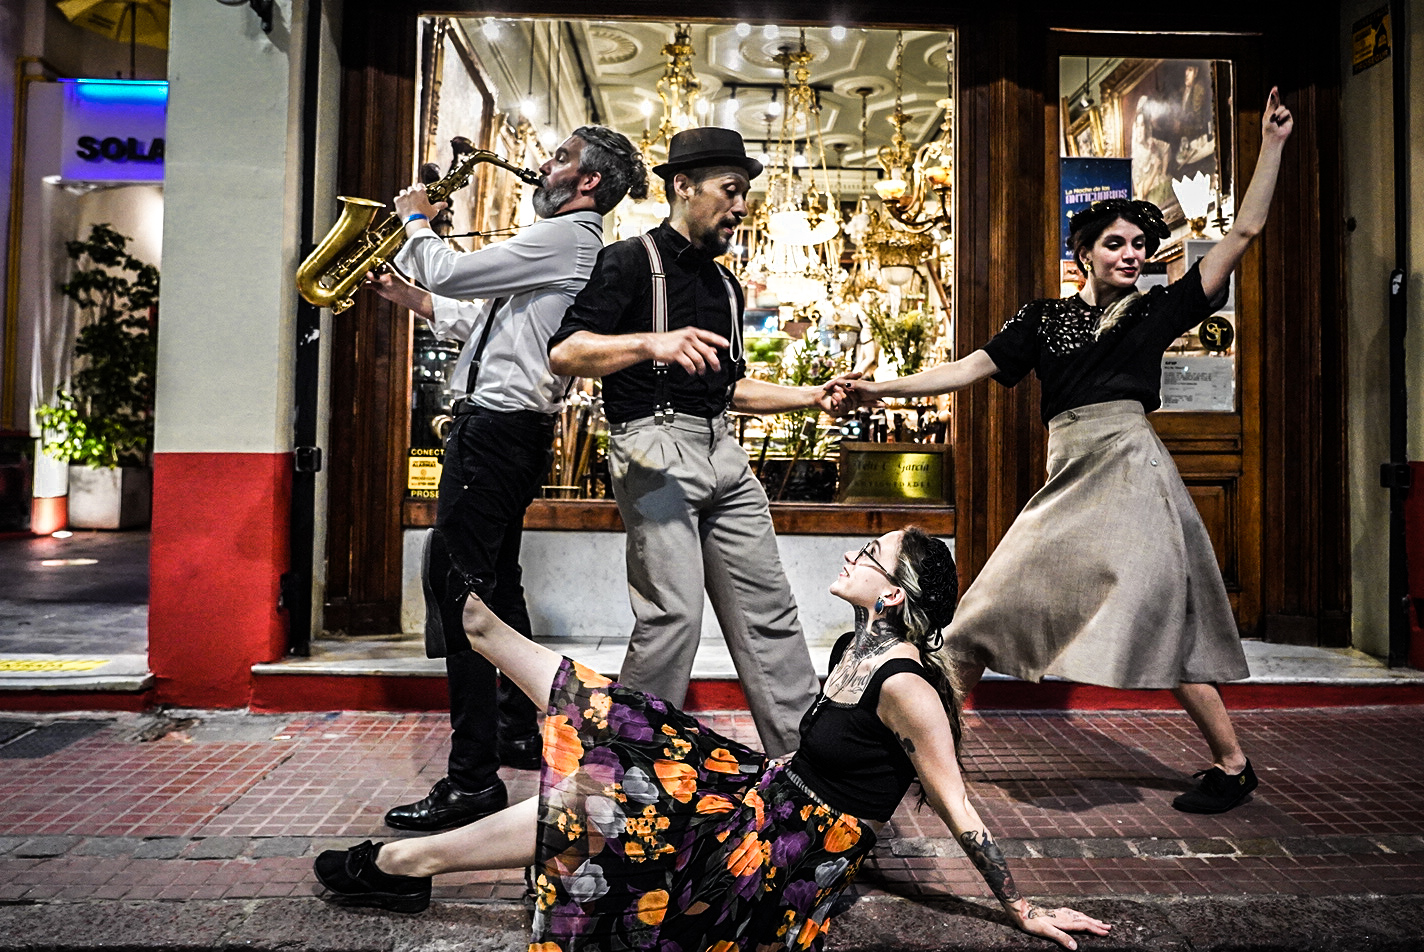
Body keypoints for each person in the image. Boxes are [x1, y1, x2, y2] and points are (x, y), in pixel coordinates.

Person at [314, 527, 1113, 951]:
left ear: (894, 598)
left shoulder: (908, 687)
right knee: (638, 733)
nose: (852, 553)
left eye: (871, 555)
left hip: (786, 856)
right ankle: (491, 641)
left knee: (609, 797)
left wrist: (1022, 908)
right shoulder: (853, 646)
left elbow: (958, 808)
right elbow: (827, 754)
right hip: (769, 794)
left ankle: (404, 860)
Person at [845, 88, 1294, 815]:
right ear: (1083, 253)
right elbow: (970, 367)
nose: (1131, 254)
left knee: (1165, 623)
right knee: (980, 616)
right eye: (1115, 243)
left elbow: (1243, 231)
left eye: (1139, 245)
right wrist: (881, 388)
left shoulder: (1159, 309)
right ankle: (915, 752)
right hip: (1070, 473)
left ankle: (1233, 764)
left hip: (1133, 472)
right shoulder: (1044, 319)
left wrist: (1270, 146)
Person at [367, 125, 648, 833]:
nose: (544, 166)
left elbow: (453, 274)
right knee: (496, 583)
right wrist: (405, 295)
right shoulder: (564, 244)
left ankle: (471, 779)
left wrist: (415, 220)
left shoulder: (567, 235)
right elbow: (487, 324)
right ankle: (519, 729)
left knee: (457, 590)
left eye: (561, 158)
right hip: (506, 432)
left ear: (589, 182)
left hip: (495, 432)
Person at [545, 127, 858, 758]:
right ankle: (628, 771)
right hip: (652, 446)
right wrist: (650, 342)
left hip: (722, 450)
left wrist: (811, 396)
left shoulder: (726, 287)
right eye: (730, 191)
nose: (740, 207)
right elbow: (566, 352)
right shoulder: (629, 261)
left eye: (744, 195)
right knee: (674, 616)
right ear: (683, 186)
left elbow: (731, 387)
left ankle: (806, 770)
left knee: (769, 612)